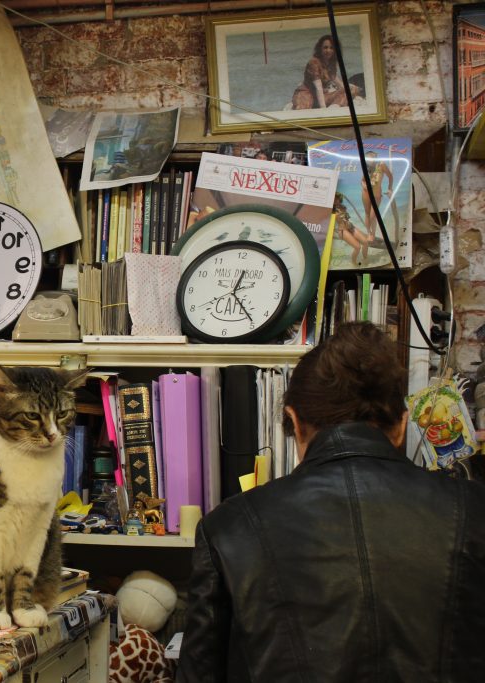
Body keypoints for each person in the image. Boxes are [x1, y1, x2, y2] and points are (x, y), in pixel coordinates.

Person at [176, 322, 485, 682]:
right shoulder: (473, 510)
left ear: (293, 421)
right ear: (402, 426)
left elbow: (198, 675)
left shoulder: (228, 527)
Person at [290, 35, 362, 110]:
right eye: (325, 47)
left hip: (322, 96)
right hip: (306, 94)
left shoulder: (330, 63)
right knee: (302, 111)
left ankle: (333, 108)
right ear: (320, 49)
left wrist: (349, 90)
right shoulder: (314, 63)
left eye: (331, 48)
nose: (328, 50)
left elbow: (336, 80)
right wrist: (323, 109)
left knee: (350, 91)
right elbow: (318, 88)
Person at [332, 192, 374, 266]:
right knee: (357, 247)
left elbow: (347, 218)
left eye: (337, 198)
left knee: (365, 242)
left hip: (351, 227)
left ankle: (365, 259)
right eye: (334, 199)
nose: (336, 200)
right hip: (343, 231)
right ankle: (354, 263)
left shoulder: (343, 207)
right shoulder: (332, 210)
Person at [361, 150, 394, 239]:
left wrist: (389, 188)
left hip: (376, 194)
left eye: (370, 158)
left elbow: (390, 176)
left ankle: (373, 234)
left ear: (375, 157)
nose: (368, 160)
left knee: (372, 216)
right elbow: (362, 180)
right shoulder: (367, 167)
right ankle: (369, 233)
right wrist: (364, 186)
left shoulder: (381, 165)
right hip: (366, 193)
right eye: (367, 159)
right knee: (367, 214)